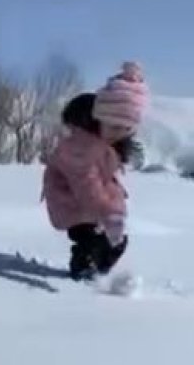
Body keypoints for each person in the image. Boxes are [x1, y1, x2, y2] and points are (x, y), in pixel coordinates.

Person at [42, 62, 149, 281]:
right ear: (99, 116)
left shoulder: (105, 142)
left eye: (126, 129)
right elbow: (86, 183)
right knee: (87, 234)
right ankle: (84, 266)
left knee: (104, 237)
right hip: (69, 195)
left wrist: (114, 209)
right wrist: (107, 212)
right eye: (114, 126)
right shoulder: (81, 144)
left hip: (90, 198)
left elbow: (104, 179)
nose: (118, 134)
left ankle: (99, 263)